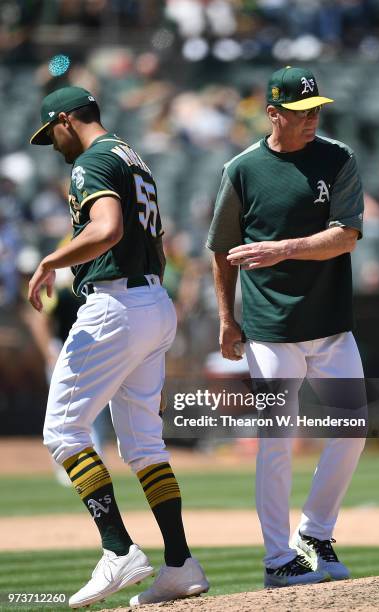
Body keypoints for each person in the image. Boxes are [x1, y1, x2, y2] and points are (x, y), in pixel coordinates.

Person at [29, 86, 208, 608]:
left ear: (66, 120)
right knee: (144, 446)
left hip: (115, 305)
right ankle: (180, 564)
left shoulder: (92, 160)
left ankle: (118, 549)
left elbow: (106, 229)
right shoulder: (132, 155)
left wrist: (50, 261)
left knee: (62, 430)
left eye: (52, 133)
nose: (53, 144)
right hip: (152, 301)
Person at [207, 66, 365, 588]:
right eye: (300, 112)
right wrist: (228, 321)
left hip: (332, 324)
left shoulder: (338, 157)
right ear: (272, 113)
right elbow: (221, 252)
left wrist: (284, 248)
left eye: (316, 108)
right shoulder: (243, 168)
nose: (312, 117)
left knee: (351, 430)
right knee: (277, 441)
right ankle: (278, 558)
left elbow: (345, 236)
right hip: (271, 329)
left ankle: (315, 533)